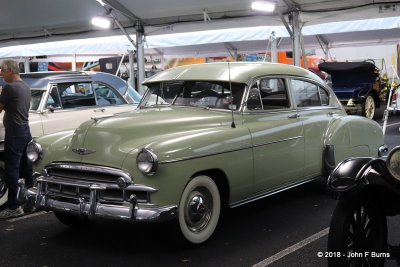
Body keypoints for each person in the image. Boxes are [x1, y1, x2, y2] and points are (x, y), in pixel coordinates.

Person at [0, 59, 33, 218]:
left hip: (14, 132)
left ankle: (13, 207)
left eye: (2, 70)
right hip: (26, 130)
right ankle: (30, 201)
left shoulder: (9, 88)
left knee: (12, 169)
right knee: (26, 167)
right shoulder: (25, 86)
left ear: (10, 71)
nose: (0, 73)